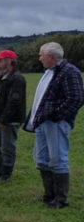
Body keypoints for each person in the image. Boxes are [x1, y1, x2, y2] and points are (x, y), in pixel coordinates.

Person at [24, 42, 84, 208]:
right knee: (41, 160)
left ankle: (60, 199)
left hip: (55, 123)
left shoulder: (69, 72)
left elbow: (76, 98)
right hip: (43, 122)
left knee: (58, 160)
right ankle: (49, 195)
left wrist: (57, 116)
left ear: (50, 56)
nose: (39, 58)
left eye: (41, 55)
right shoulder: (50, 72)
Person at [0, 50, 26, 182]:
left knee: (7, 148)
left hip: (9, 119)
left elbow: (14, 102)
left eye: (0, 60)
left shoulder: (16, 79)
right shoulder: (2, 77)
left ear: (9, 62)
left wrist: (4, 120)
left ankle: (6, 175)